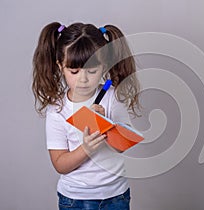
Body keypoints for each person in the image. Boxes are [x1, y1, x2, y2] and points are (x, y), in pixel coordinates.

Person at [32, 22, 140, 210]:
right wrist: (86, 148)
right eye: (74, 71)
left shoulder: (112, 97)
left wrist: (106, 124)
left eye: (92, 71)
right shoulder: (58, 109)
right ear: (60, 66)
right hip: (75, 199)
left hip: (116, 196)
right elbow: (60, 164)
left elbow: (123, 146)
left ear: (104, 65)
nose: (83, 79)